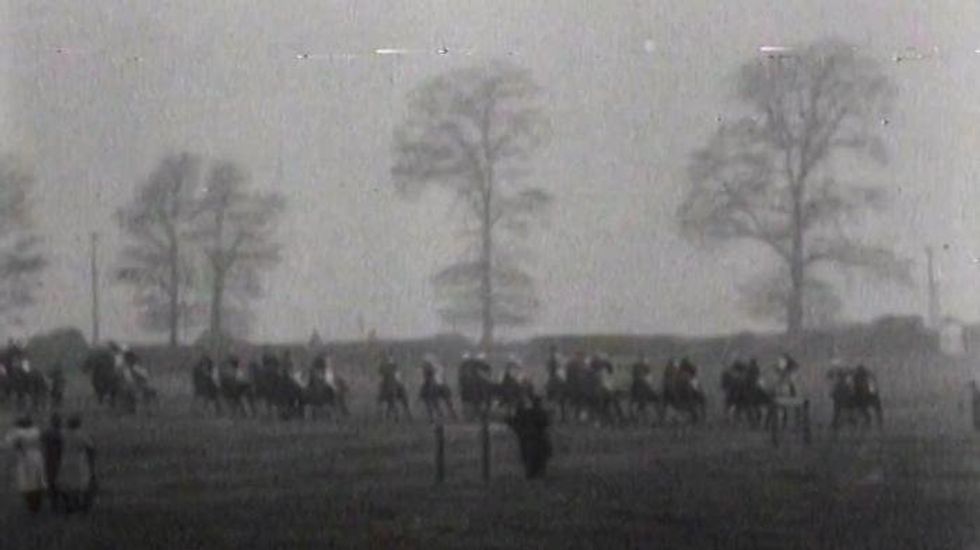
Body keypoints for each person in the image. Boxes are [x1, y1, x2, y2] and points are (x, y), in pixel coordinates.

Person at [4, 415, 47, 514]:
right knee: (37, 479)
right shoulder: (36, 431)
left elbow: (10, 443)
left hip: (25, 457)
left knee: (28, 481)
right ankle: (37, 502)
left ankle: (31, 504)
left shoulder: (19, 433)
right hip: (37, 455)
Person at [507, 395, 553, 479]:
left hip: (531, 439)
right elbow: (545, 423)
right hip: (533, 439)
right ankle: (535, 474)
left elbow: (514, 423)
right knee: (534, 459)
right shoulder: (531, 413)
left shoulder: (527, 413)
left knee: (531, 458)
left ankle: (533, 474)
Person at [60, 414, 96, 514]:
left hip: (66, 460)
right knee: (82, 483)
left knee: (68, 484)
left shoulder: (63, 434)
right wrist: (91, 461)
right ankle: (82, 505)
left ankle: (71, 505)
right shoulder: (82, 435)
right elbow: (91, 447)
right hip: (79, 461)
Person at [41, 413, 64, 513]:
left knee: (51, 481)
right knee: (59, 481)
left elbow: (42, 440)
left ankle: (54, 503)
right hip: (58, 459)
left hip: (49, 459)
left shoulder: (47, 432)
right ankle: (58, 502)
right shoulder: (61, 433)